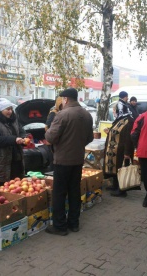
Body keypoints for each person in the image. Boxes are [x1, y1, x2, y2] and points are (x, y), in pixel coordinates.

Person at [45, 88, 93, 235]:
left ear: (65, 99)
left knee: (59, 193)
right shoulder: (87, 115)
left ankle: (60, 226)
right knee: (74, 191)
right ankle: (74, 223)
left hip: (62, 160)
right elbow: (90, 138)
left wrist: (47, 132)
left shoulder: (62, 115)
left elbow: (50, 138)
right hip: (77, 160)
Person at [0, 98, 26, 184]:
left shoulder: (14, 120)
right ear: (0, 110)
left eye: (11, 109)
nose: (10, 111)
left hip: (17, 160)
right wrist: (14, 139)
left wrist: (24, 138)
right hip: (2, 161)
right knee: (3, 188)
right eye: (7, 109)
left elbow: (21, 131)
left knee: (17, 185)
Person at [103, 110, 135, 197]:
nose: (113, 112)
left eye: (114, 110)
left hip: (122, 151)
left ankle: (122, 190)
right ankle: (115, 186)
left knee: (122, 170)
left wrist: (127, 152)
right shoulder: (120, 119)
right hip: (115, 151)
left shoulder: (128, 121)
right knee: (116, 169)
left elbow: (129, 138)